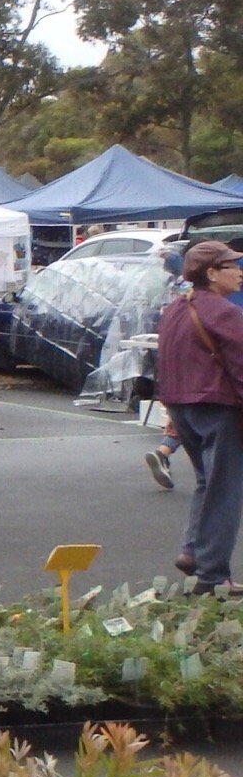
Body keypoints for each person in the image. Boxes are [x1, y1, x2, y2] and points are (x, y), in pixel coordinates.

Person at [155, 240, 243, 597]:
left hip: (180, 405)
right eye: (233, 265)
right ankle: (213, 575)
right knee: (226, 489)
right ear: (211, 273)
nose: (240, 271)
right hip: (218, 405)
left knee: (208, 481)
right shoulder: (224, 312)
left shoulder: (174, 309)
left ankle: (193, 550)